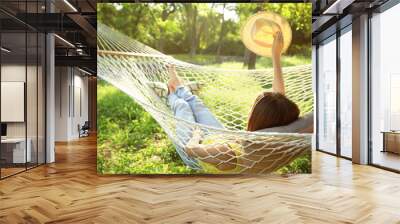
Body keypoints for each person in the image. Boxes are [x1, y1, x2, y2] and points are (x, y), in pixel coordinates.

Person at [167, 31, 304, 172]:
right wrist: (276, 55)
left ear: (259, 117)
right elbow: (278, 103)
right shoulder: (277, 135)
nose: (250, 108)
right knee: (197, 105)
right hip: (223, 138)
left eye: (253, 106)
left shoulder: (228, 154)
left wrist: (197, 135)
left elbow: (191, 149)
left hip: (197, 147)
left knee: (182, 106)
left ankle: (169, 93)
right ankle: (179, 86)